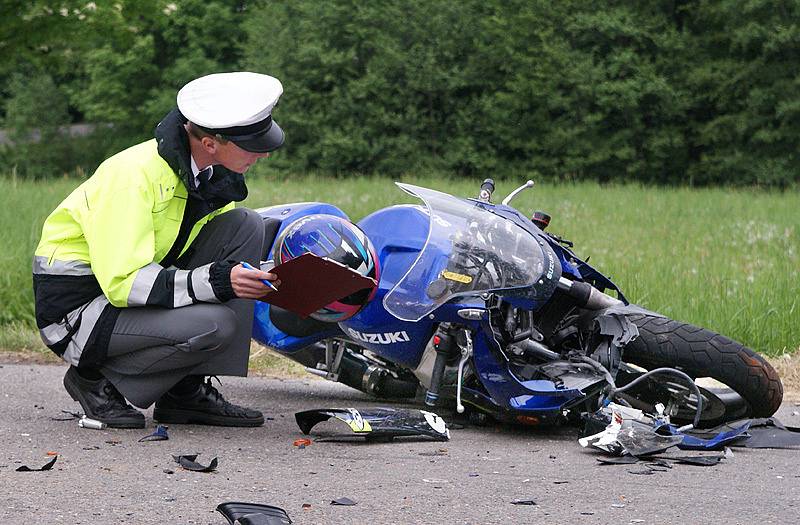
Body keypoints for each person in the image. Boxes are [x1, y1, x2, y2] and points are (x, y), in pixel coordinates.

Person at [32, 72, 284, 428]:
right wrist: (220, 281)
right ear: (210, 143)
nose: (266, 152)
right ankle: (93, 380)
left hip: (124, 296)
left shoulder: (211, 175)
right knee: (216, 323)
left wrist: (279, 279)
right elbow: (125, 283)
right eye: (254, 145)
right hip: (79, 310)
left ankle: (185, 393)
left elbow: (212, 257)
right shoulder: (132, 177)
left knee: (247, 225)